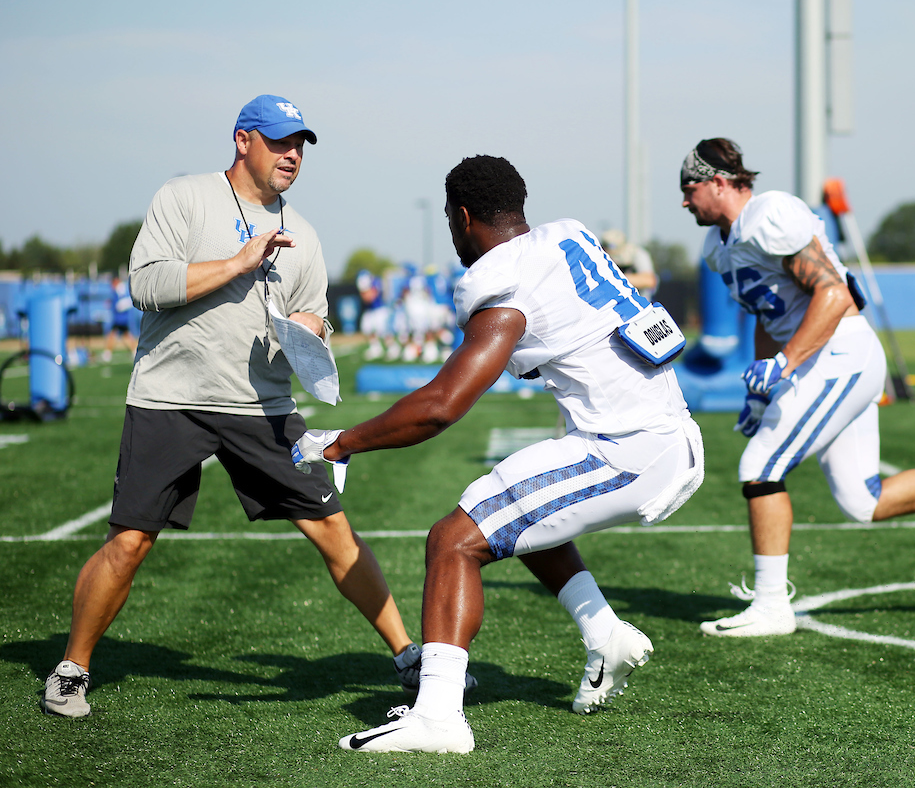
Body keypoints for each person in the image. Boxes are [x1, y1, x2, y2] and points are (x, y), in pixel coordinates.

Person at [293, 155, 704, 753]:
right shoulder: (566, 238)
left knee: (454, 539)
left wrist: (342, 442)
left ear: (462, 217)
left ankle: (438, 716)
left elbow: (441, 404)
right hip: (656, 430)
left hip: (630, 450)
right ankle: (605, 633)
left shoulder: (507, 279)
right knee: (510, 513)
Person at [40, 95, 427, 718]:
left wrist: (311, 325)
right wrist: (239, 262)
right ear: (243, 140)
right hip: (172, 399)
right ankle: (71, 666)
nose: (292, 155)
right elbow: (146, 285)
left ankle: (409, 656)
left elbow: (319, 318)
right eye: (279, 142)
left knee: (334, 530)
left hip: (264, 406)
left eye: (299, 144)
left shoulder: (306, 234)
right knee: (131, 540)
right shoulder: (184, 198)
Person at [679, 138, 915, 639]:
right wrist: (762, 384)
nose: (684, 201)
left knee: (760, 466)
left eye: (689, 188)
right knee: (863, 499)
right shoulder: (719, 247)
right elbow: (768, 315)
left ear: (718, 182)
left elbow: (834, 292)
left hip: (839, 352)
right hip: (816, 358)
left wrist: (784, 364)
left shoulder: (771, 215)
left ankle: (770, 607)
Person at [599, 229, 658, 299]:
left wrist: (615, 279)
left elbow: (649, 280)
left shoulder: (637, 254)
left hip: (639, 304)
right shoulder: (600, 256)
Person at [101, 275, 138, 363]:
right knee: (125, 336)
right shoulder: (117, 290)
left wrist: (120, 305)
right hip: (119, 318)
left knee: (115, 335)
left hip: (121, 319)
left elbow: (127, 301)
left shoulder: (122, 289)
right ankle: (133, 351)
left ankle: (107, 354)